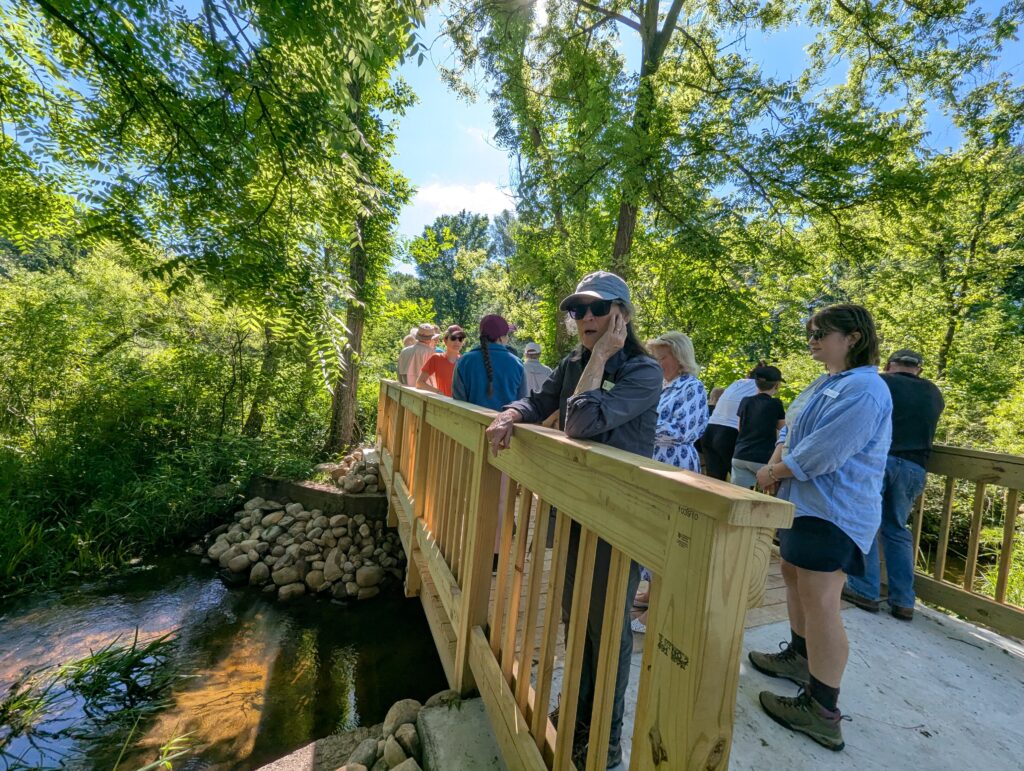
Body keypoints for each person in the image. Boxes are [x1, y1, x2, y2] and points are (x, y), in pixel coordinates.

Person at [485, 271, 662, 770]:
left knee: (607, 632)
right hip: (571, 509)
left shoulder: (643, 372)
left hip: (619, 517)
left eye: (597, 309)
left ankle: (604, 744)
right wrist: (510, 414)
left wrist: (602, 357)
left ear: (621, 315)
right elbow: (544, 402)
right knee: (574, 620)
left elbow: (580, 422)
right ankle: (578, 717)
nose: (584, 318)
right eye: (577, 310)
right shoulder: (573, 363)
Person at [747, 304, 892, 752]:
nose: (812, 340)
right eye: (810, 333)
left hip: (834, 511)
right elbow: (790, 433)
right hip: (804, 505)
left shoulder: (866, 390)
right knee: (792, 577)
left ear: (852, 337)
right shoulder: (825, 383)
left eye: (822, 333)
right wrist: (775, 462)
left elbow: (824, 453)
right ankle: (799, 657)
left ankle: (823, 710)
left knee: (822, 600)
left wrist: (773, 474)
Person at [843, 349, 944, 620]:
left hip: (879, 461)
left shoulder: (881, 383)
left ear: (889, 365)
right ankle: (903, 600)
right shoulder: (934, 393)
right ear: (919, 369)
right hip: (914, 466)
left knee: (866, 522)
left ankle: (864, 589)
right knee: (897, 529)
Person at [632, 331, 708, 633]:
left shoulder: (692, 387)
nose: (656, 362)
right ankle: (652, 593)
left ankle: (661, 608)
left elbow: (682, 431)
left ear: (679, 357)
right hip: (655, 466)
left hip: (675, 467)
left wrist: (636, 421)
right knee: (650, 530)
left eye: (661, 357)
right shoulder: (662, 386)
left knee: (666, 536)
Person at [452, 314, 526, 410]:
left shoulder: (464, 361)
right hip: (504, 424)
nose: (508, 338)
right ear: (500, 338)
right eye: (507, 335)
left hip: (470, 423)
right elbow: (522, 404)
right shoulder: (517, 364)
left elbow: (458, 402)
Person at [730, 366, 786, 489]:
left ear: (756, 383)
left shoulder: (745, 401)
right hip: (763, 458)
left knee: (739, 494)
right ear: (776, 385)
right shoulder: (776, 403)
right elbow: (784, 430)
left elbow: (740, 427)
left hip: (740, 455)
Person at [701, 368, 762, 479]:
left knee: (713, 481)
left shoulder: (737, 383)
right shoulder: (760, 388)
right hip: (728, 434)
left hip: (709, 431)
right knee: (738, 481)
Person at [417, 325, 467, 397]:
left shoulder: (465, 362)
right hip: (442, 404)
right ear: (445, 340)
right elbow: (420, 383)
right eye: (453, 338)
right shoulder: (436, 358)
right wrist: (438, 392)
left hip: (462, 406)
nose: (457, 342)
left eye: (460, 339)